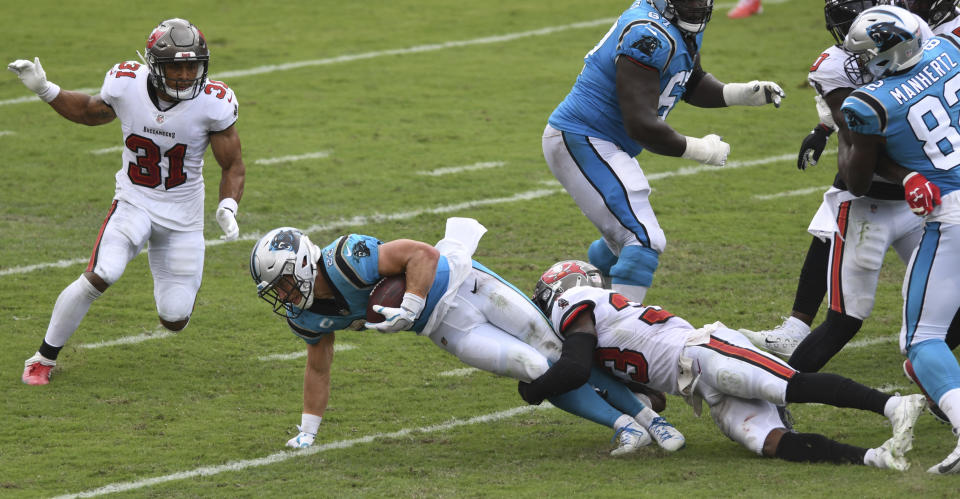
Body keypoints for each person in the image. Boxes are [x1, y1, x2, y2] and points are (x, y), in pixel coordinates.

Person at [249, 218, 685, 453]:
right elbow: (318, 367)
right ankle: (625, 426)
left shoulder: (346, 258)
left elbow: (422, 253)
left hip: (468, 285)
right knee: (535, 369)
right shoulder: (306, 317)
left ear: (304, 265)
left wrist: (412, 303)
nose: (284, 295)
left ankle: (653, 419)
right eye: (277, 291)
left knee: (554, 347)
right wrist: (309, 431)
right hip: (448, 329)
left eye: (284, 283)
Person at [8, 18, 245, 386]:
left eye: (191, 65)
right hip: (134, 201)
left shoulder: (214, 103)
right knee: (103, 273)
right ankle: (42, 358)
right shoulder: (126, 83)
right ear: (153, 66)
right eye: (175, 66)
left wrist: (228, 206)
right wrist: (46, 89)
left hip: (183, 218)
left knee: (174, 318)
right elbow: (89, 111)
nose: (185, 75)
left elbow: (232, 165)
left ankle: (164, 267)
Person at [521, 260, 927, 470]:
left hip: (705, 351)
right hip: (698, 385)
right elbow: (655, 401)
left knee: (787, 385)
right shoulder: (600, 333)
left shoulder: (574, 306)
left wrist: (534, 388)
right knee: (766, 442)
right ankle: (874, 458)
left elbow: (573, 367)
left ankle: (894, 406)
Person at [543, 0, 784, 307]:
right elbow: (641, 125)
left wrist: (739, 94)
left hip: (600, 140)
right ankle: (619, 332)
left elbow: (686, 81)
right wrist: (702, 150)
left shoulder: (673, 22)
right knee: (643, 239)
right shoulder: (648, 35)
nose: (698, 5)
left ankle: (582, 302)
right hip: (582, 136)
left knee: (623, 237)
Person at [740, 0, 932, 367]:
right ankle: (787, 363)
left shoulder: (928, 42)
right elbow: (857, 138)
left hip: (923, 190)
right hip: (882, 193)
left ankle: (932, 368)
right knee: (843, 311)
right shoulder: (837, 65)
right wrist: (824, 129)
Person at [840, 4, 960, 473]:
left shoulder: (867, 104)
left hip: (951, 214)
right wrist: (908, 171)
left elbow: (854, 177)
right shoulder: (950, 48)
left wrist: (843, 130)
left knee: (921, 340)